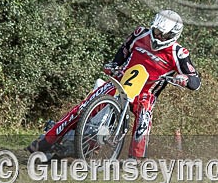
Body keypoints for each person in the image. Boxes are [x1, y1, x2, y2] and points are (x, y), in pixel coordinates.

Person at [26, 9, 201, 159]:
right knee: (83, 107)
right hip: (121, 82)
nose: (158, 36)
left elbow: (195, 81)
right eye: (156, 31)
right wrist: (115, 64)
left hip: (147, 92)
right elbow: (123, 50)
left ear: (173, 35)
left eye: (163, 34)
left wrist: (184, 79)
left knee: (143, 121)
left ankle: (135, 159)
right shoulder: (140, 33)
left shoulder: (179, 53)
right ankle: (46, 141)